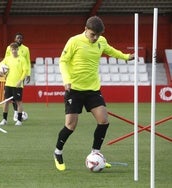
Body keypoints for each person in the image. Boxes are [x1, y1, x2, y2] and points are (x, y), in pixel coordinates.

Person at [53, 16, 134, 171]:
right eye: (92, 35)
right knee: (70, 125)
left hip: (92, 89)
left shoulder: (101, 41)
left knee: (103, 120)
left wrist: (126, 57)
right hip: (74, 90)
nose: (95, 38)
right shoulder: (74, 41)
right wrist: (66, 80)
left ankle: (96, 155)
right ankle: (58, 152)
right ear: (85, 29)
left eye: (97, 35)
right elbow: (63, 61)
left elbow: (111, 51)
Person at [0, 42, 28, 126]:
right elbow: (0, 66)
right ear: (10, 50)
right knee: (6, 102)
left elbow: (25, 71)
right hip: (8, 84)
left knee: (18, 102)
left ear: (18, 49)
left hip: (18, 85)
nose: (14, 51)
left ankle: (19, 120)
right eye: (12, 49)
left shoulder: (22, 59)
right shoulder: (7, 59)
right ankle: (4, 119)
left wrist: (20, 81)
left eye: (15, 49)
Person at [4, 33, 31, 121]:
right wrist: (4, 72)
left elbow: (28, 61)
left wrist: (28, 74)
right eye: (18, 38)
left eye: (21, 38)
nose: (19, 39)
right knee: (9, 99)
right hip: (10, 76)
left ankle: (17, 114)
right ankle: (15, 113)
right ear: (15, 39)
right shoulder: (9, 48)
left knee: (17, 98)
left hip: (20, 75)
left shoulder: (26, 49)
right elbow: (5, 60)